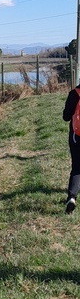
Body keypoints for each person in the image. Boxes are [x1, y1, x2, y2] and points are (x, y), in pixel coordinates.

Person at [63, 83, 80, 213]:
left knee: (77, 167)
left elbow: (66, 117)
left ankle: (72, 197)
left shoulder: (75, 93)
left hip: (76, 135)